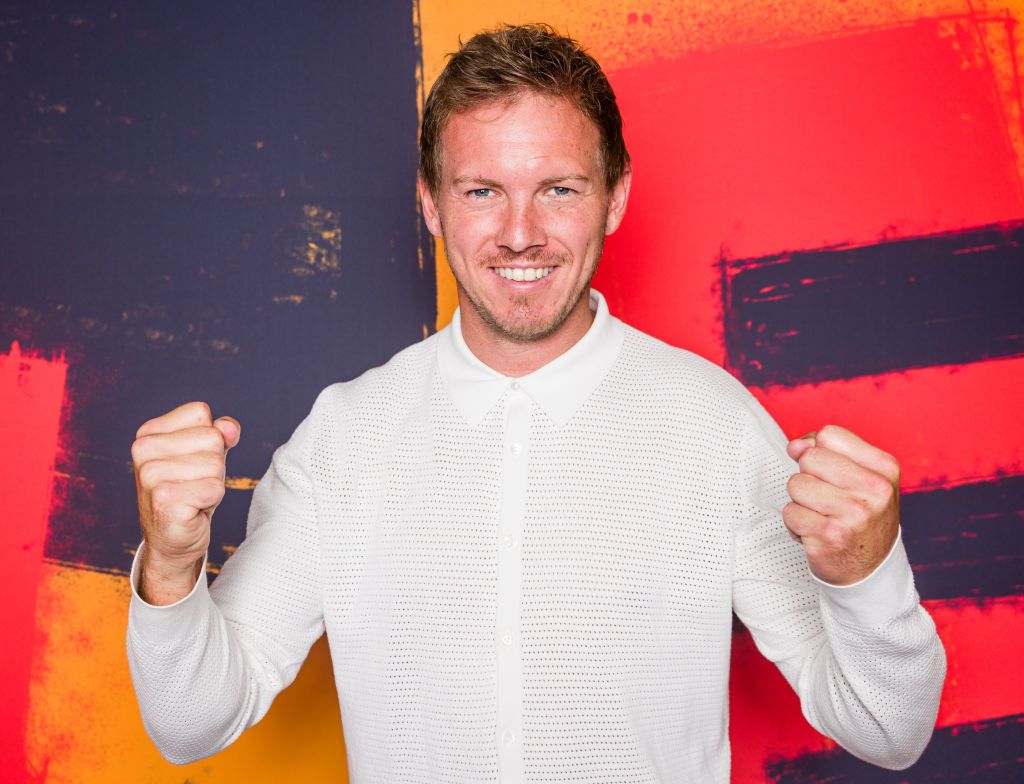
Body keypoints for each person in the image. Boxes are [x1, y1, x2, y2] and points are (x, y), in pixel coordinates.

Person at [126, 23, 945, 783]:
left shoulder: (715, 427)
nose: (521, 233)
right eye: (482, 191)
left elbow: (889, 730)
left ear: (615, 197)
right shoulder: (345, 438)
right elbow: (190, 724)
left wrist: (866, 576)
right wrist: (169, 560)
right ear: (430, 202)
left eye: (558, 188)